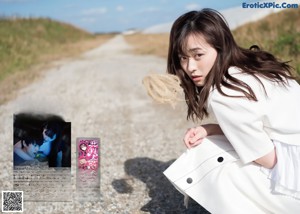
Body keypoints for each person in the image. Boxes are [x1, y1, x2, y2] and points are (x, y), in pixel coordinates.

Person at [164, 8, 300, 213]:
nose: (190, 67)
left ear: (220, 48)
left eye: (198, 55)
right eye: (183, 58)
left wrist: (217, 137)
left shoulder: (224, 93)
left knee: (205, 150)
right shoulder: (252, 66)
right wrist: (211, 128)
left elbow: (268, 159)